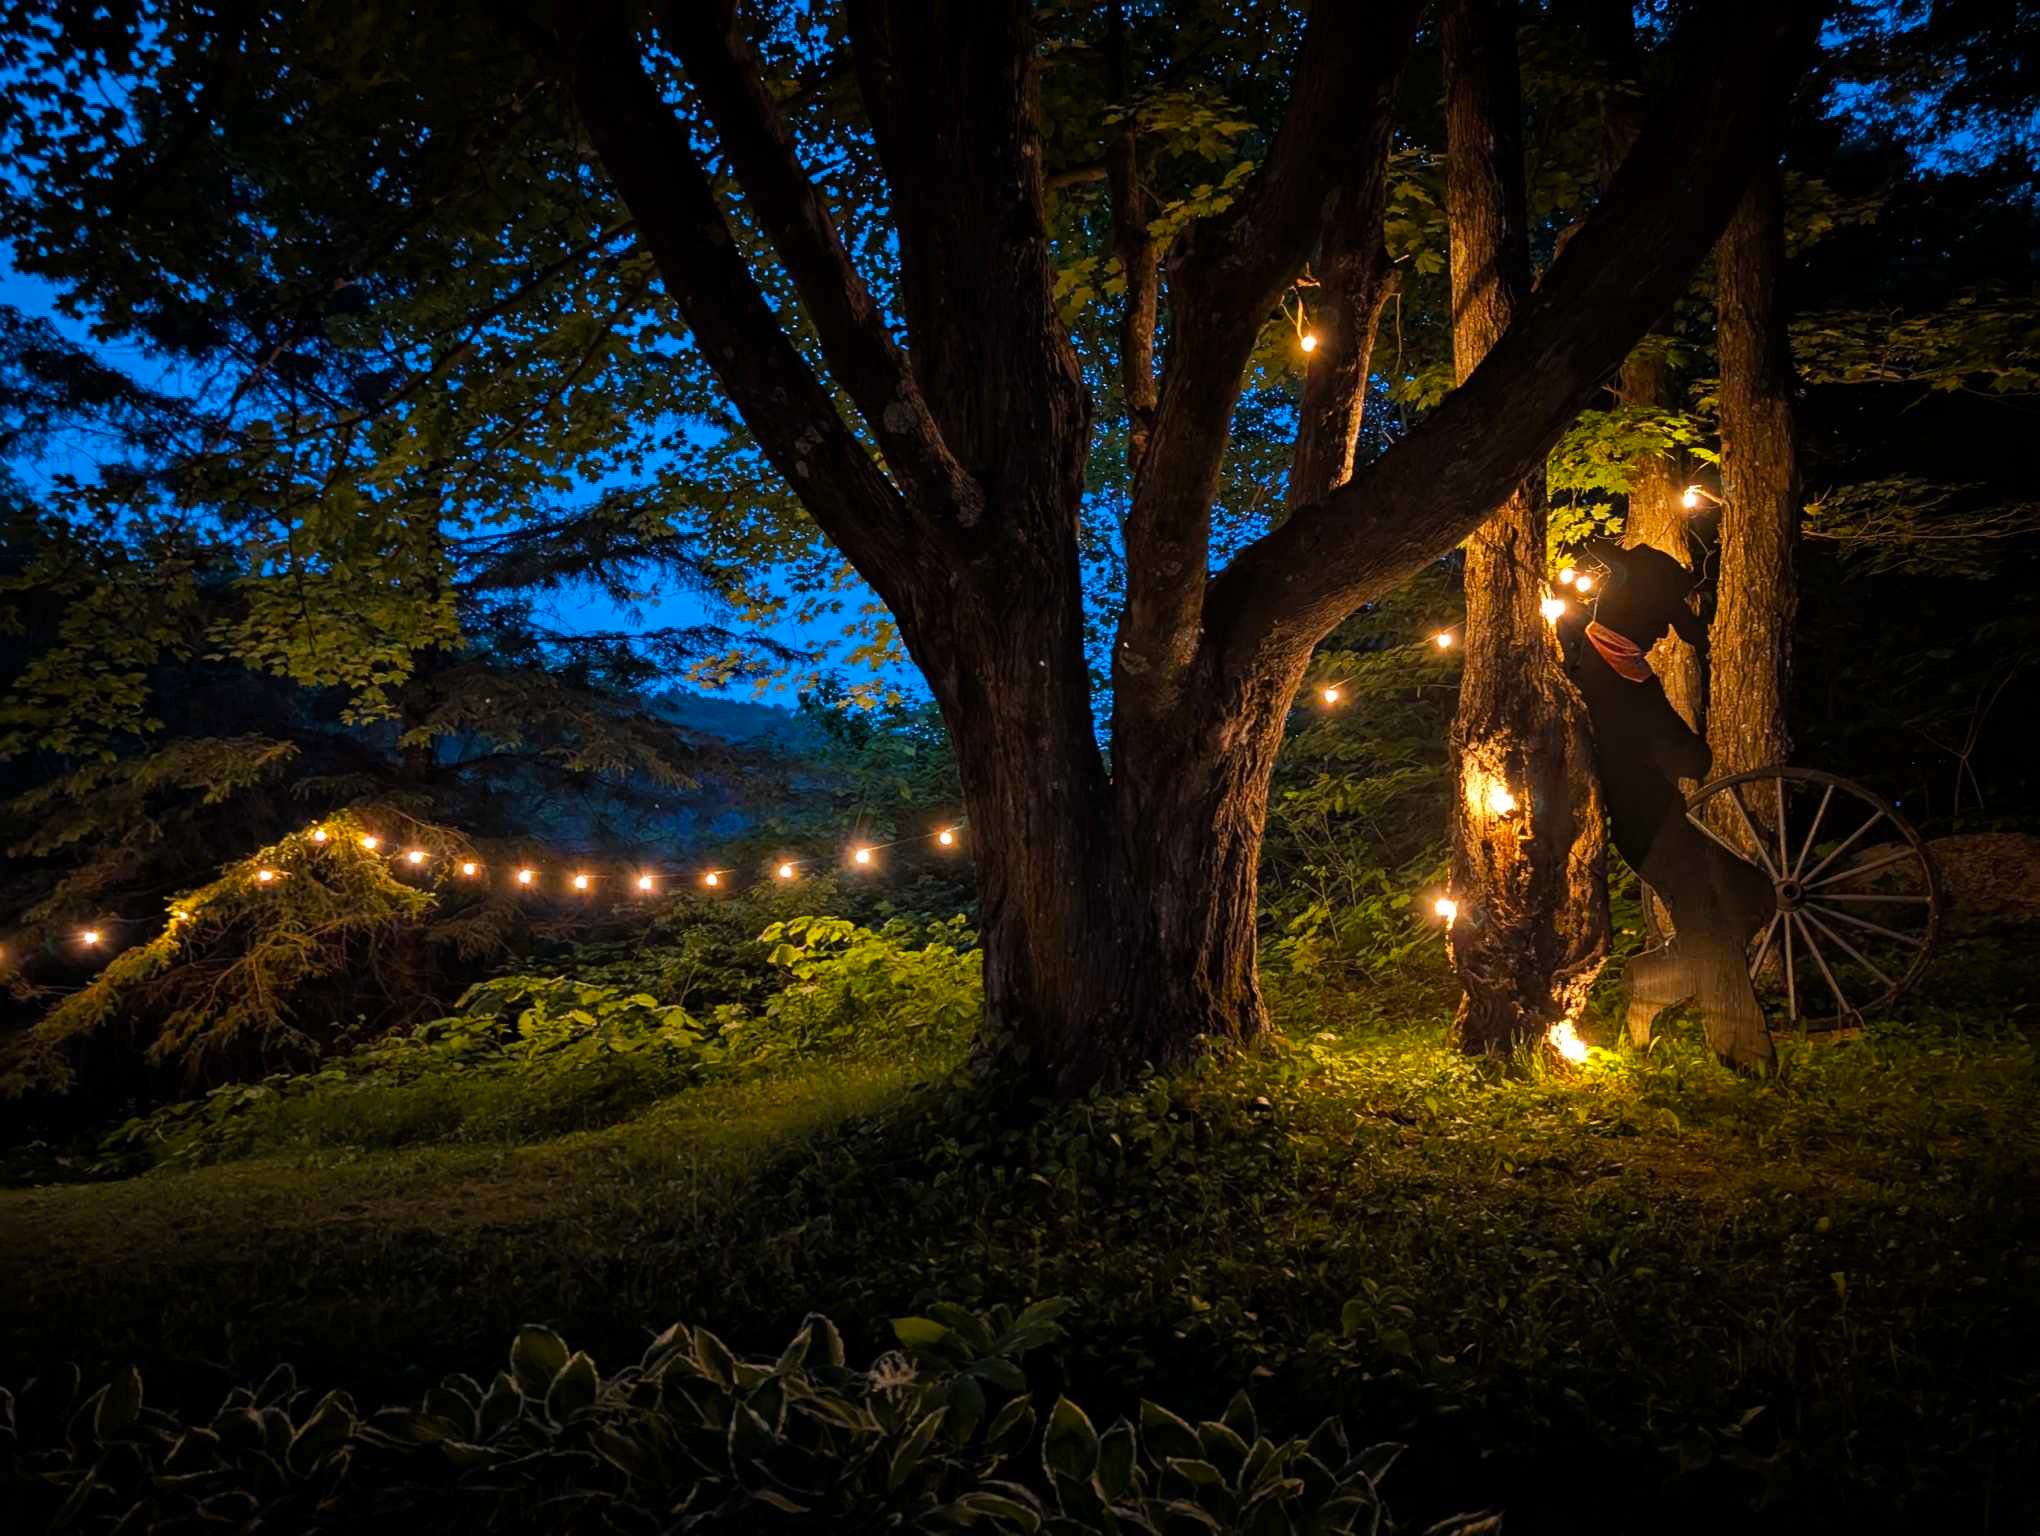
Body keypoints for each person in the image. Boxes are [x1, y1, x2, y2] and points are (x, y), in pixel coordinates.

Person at [1556, 525, 1777, 1066]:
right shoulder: (1596, 671)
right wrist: (1681, 746)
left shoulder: (1623, 664)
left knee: (1753, 894)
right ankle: (1743, 1052)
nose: (1662, 631)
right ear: (1636, 607)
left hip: (1664, 816)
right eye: (1660, 617)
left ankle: (1652, 980)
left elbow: (1685, 758)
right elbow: (1688, 758)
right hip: (1643, 825)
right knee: (1710, 920)